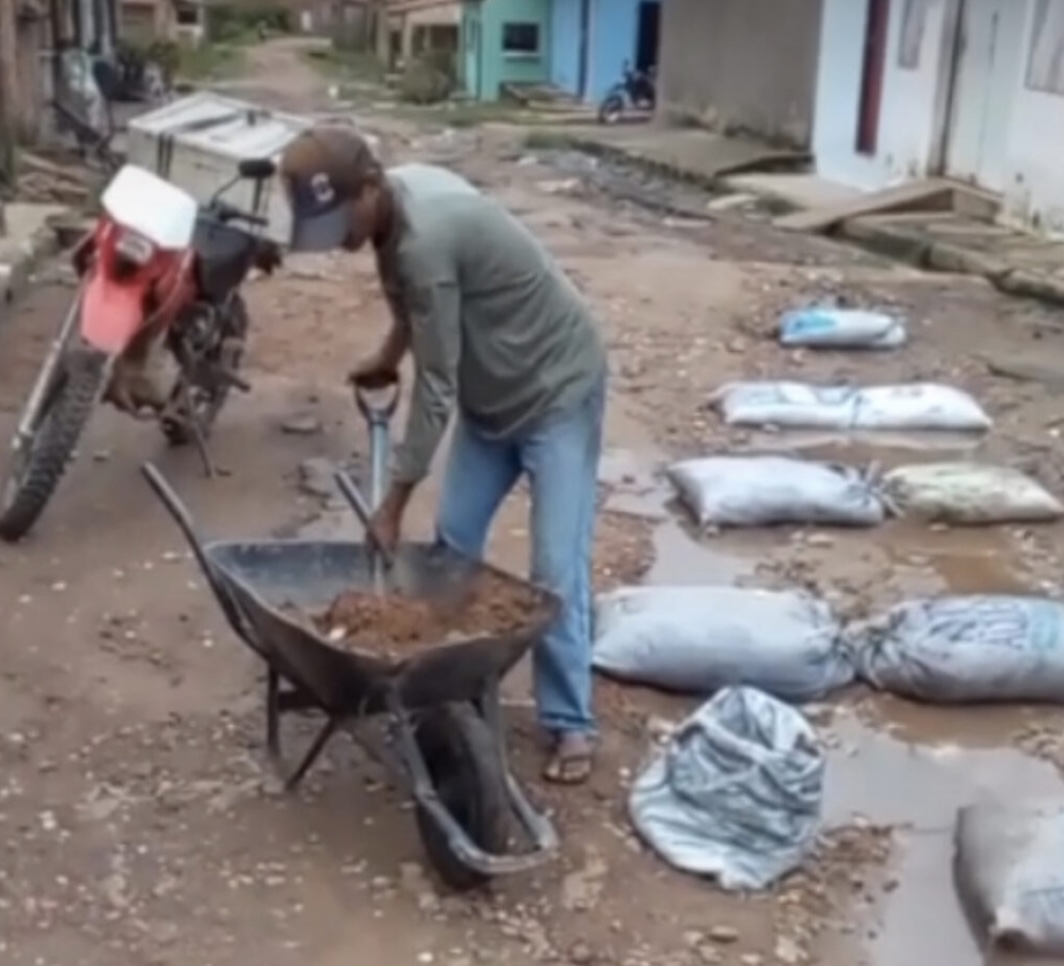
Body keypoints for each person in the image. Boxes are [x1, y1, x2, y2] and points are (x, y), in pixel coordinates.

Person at [279, 125, 607, 784]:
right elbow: (417, 309)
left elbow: (436, 388)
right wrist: (385, 357)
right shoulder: (393, 220)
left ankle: (571, 723)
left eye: (340, 219)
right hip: (492, 402)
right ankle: (459, 687)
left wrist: (393, 501)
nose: (338, 239)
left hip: (556, 392)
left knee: (554, 568)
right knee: (453, 545)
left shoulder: (426, 237)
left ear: (368, 188)